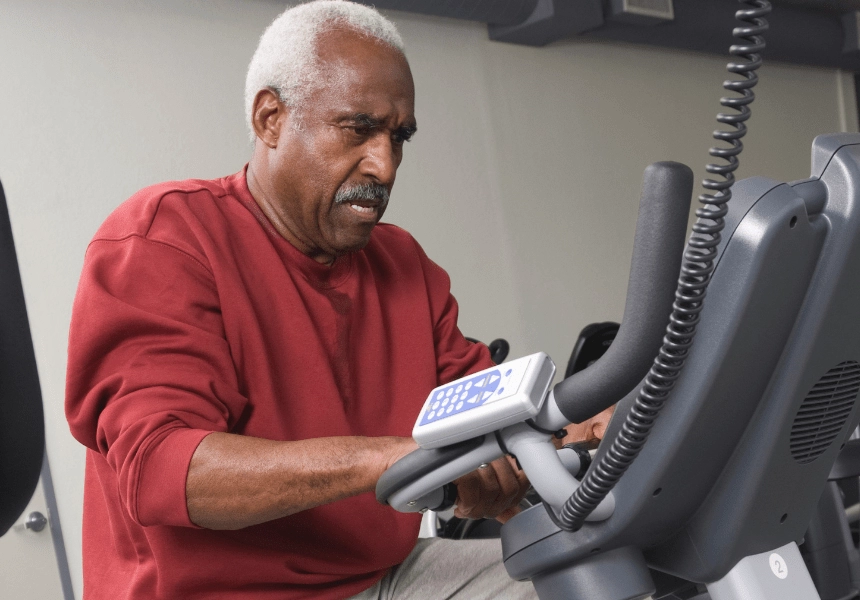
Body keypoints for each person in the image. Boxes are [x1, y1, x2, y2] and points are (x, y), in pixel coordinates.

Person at [65, 2, 610, 598]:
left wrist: (581, 429)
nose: (384, 164)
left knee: (595, 574)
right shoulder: (165, 239)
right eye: (358, 130)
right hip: (221, 593)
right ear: (271, 118)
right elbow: (162, 471)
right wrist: (391, 460)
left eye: (398, 137)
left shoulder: (403, 264)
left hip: (379, 575)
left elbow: (485, 408)